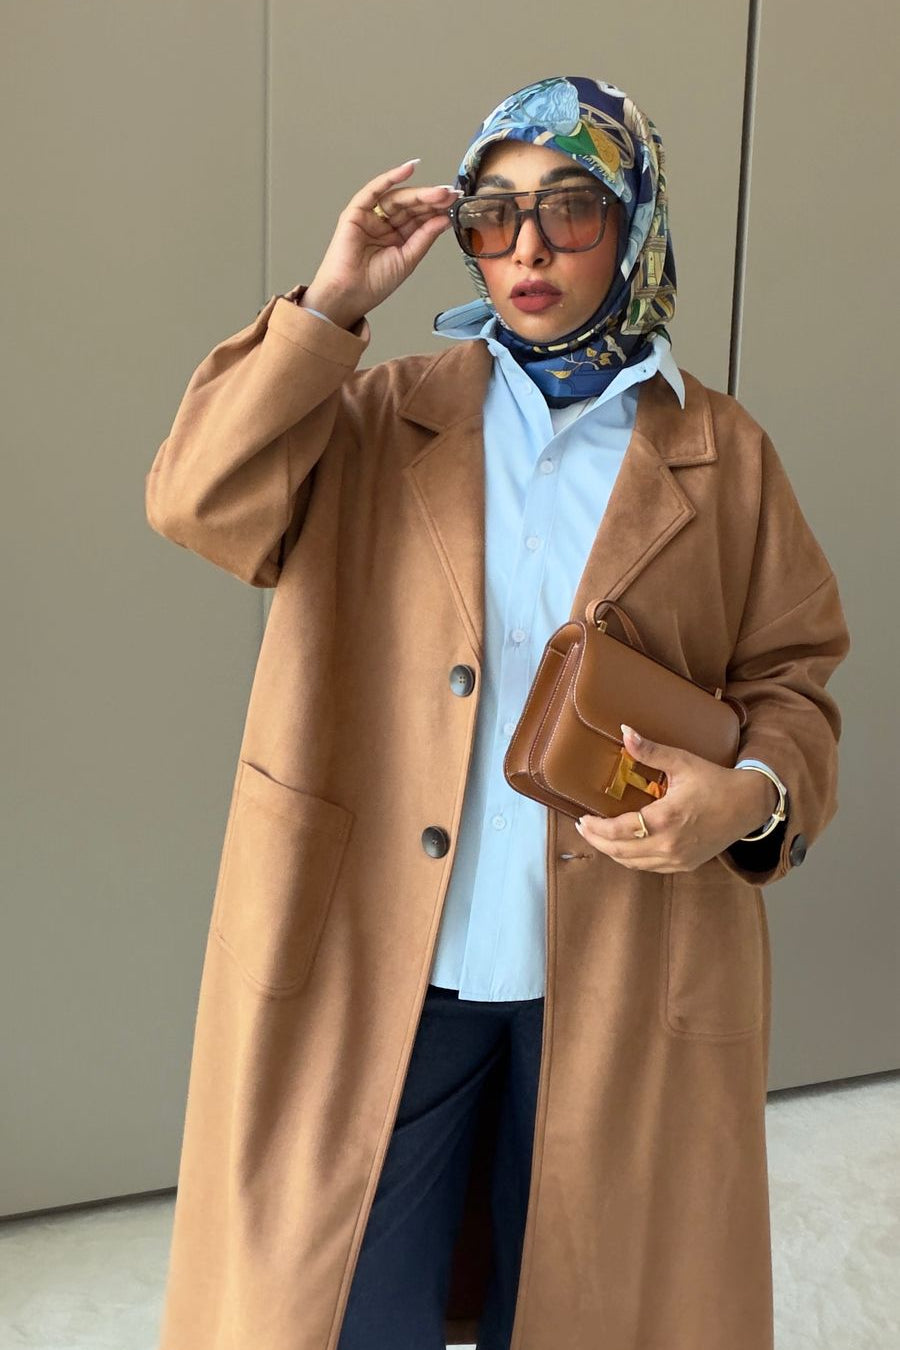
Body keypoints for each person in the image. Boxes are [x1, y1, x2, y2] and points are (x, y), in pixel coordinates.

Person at [146, 77, 849, 1350]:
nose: (528, 247)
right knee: (350, 1311)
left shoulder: (725, 454)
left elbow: (795, 682)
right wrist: (331, 304)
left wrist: (746, 800)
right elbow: (197, 501)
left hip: (627, 973)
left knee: (598, 1306)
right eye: (493, 213)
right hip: (384, 964)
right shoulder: (369, 414)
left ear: (634, 225)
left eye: (572, 209)